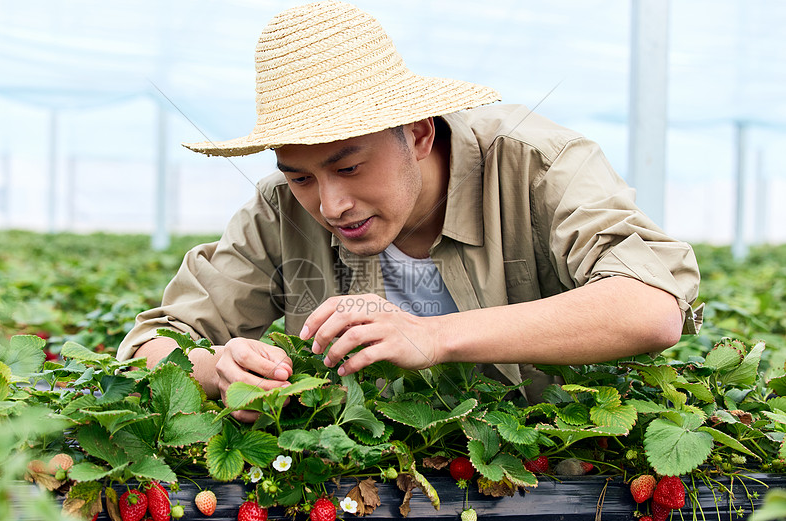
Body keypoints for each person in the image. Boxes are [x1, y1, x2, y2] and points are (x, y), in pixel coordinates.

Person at [117, 0, 702, 418]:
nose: (331, 204)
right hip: (364, 493)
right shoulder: (279, 209)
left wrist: (435, 336)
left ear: (419, 134)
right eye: (300, 175)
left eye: (349, 167)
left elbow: (648, 308)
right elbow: (151, 346)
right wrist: (216, 368)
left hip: (541, 474)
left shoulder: (537, 165)